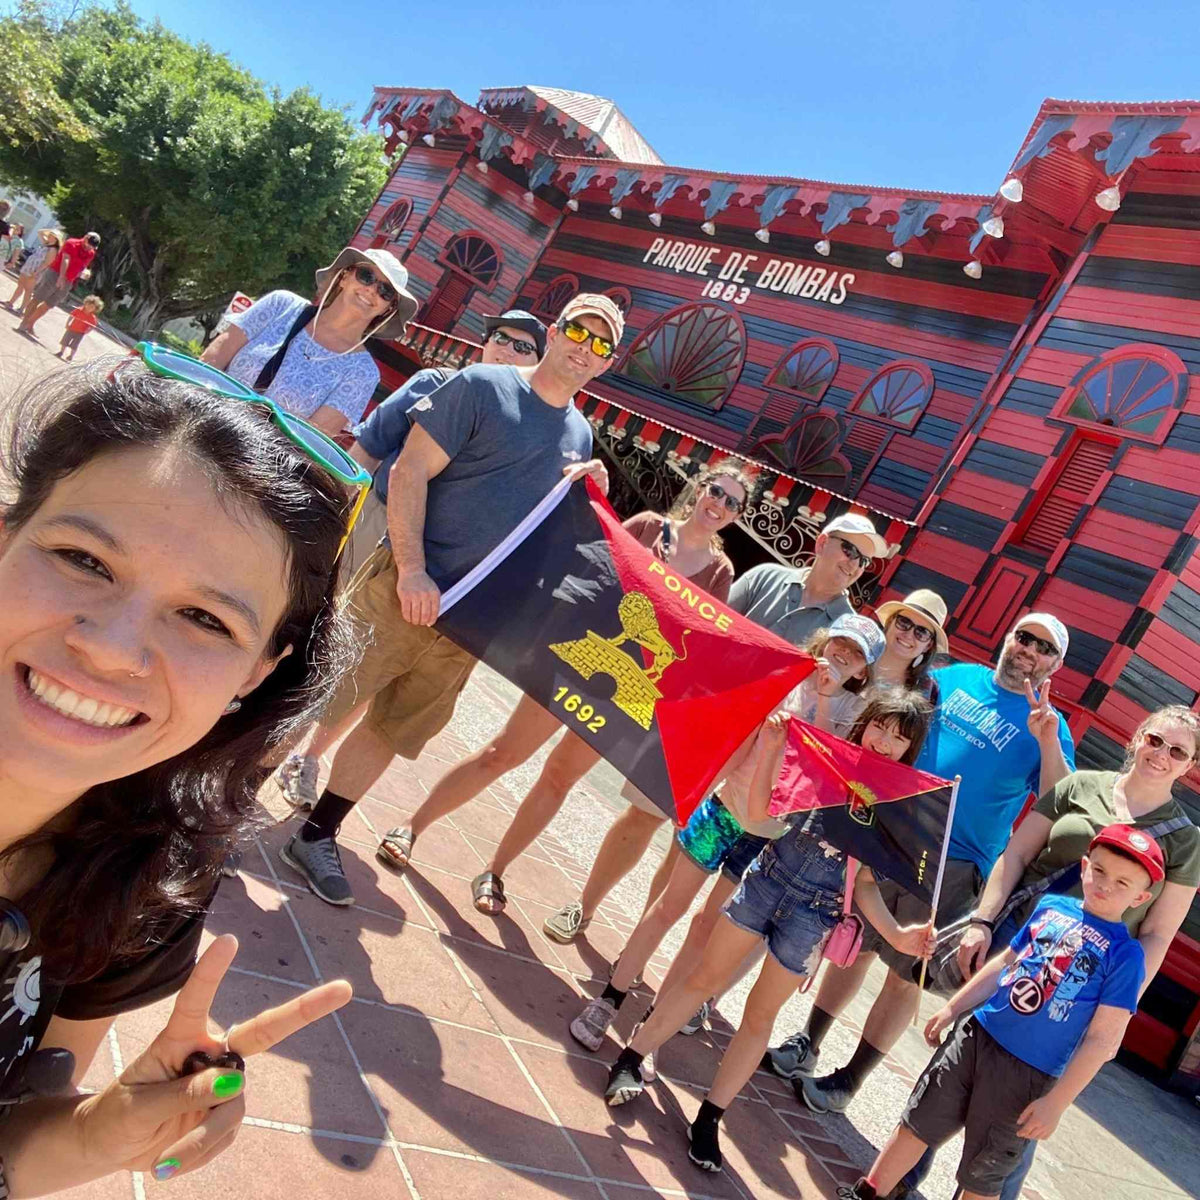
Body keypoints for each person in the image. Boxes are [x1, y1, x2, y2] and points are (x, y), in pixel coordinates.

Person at [0, 356, 363, 1188]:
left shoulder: (148, 883)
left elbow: (11, 1136)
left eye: (202, 618)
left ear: (257, 674)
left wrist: (97, 1139)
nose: (111, 647)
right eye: (84, 559)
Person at [278, 293, 623, 907]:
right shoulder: (483, 385)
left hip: (467, 623)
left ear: (605, 362)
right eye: (578, 331)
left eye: (601, 344)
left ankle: (317, 833)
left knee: (391, 727)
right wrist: (412, 570)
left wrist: (587, 493)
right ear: (555, 330)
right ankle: (225, 804)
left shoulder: (580, 434)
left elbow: (543, 532)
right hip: (405, 585)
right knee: (319, 694)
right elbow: (409, 471)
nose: (584, 348)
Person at [377, 463, 748, 916]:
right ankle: (411, 827)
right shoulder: (649, 526)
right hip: (578, 659)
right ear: (700, 490)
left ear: (735, 515)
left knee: (559, 779)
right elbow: (591, 554)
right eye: (717, 491)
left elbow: (702, 639)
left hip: (626, 691)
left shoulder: (720, 571)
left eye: (733, 502)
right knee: (504, 753)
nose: (720, 504)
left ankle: (495, 871)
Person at [602, 690, 938, 1176]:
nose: (885, 742)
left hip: (815, 914)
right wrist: (776, 749)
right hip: (767, 880)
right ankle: (631, 1058)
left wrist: (898, 934)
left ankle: (709, 1117)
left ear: (912, 748)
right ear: (865, 722)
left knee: (760, 1018)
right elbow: (763, 808)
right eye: (880, 727)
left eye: (900, 738)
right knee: (702, 980)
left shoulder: (896, 801)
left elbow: (863, 884)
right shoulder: (827, 758)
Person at [772, 612, 1077, 1117]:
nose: (1030, 650)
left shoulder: (1048, 724)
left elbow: (1055, 802)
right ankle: (808, 1041)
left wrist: (1046, 739)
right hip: (895, 830)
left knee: (905, 969)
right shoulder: (952, 679)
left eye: (1044, 647)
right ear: (1008, 636)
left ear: (1056, 664)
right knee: (859, 943)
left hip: (957, 862)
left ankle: (849, 1080)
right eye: (1024, 636)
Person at [542, 510, 890, 948]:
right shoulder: (766, 577)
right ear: (822, 542)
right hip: (701, 721)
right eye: (849, 549)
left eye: (863, 561)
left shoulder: (847, 633)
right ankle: (584, 906)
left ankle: (634, 944)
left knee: (685, 851)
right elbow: (708, 627)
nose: (854, 564)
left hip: (753, 758)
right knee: (643, 814)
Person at [568, 613, 886, 1054]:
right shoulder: (788, 675)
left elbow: (823, 768)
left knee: (705, 929)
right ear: (824, 640)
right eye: (840, 643)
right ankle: (609, 999)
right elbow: (742, 736)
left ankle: (651, 1028)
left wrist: (828, 699)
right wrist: (703, 788)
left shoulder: (854, 713)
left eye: (855, 655)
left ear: (862, 670)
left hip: (769, 837)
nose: (842, 656)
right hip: (723, 811)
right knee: (669, 907)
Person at [273, 311, 548, 806]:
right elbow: (369, 449)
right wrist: (334, 515)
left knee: (367, 664)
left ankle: (309, 756)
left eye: (522, 347)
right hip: (376, 516)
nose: (507, 350)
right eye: (500, 339)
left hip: (427, 553)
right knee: (315, 625)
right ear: (483, 344)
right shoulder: (437, 383)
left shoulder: (525, 430)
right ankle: (262, 735)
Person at [941, 704, 1200, 1199]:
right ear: (1136, 736)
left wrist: (1120, 1006)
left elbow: (1157, 935)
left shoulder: (1186, 842)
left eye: (1177, 752)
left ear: (1189, 767)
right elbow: (1017, 854)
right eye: (1155, 740)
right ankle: (903, 1178)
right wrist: (981, 922)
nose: (1161, 755)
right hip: (1018, 944)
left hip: (1082, 981)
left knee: (1027, 1103)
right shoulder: (1078, 786)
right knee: (957, 1061)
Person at [837, 824, 1160, 1200]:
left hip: (1028, 1074)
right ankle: (869, 1192)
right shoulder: (1052, 907)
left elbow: (1104, 1040)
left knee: (984, 1171)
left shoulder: (1126, 956)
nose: (1105, 885)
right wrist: (954, 1007)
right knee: (919, 1120)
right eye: (1100, 870)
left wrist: (1056, 1103)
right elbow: (1006, 962)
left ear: (1140, 898)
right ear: (1085, 865)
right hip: (976, 1035)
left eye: (1123, 883)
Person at [202, 246, 418, 437]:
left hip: (247, 466)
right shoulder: (281, 305)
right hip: (203, 421)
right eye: (366, 275)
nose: (372, 290)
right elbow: (213, 359)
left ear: (388, 308)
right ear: (344, 277)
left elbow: (308, 443)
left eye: (385, 291)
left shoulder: (363, 373)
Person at [17, 230, 100, 338]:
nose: (90, 248)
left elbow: (83, 266)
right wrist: (61, 277)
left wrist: (85, 273)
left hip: (69, 280)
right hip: (55, 274)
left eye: (92, 247)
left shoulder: (91, 253)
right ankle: (23, 323)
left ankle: (30, 323)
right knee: (38, 298)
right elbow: (65, 260)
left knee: (49, 304)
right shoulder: (72, 243)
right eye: (89, 245)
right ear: (85, 238)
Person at [5, 227, 63, 315]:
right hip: (29, 266)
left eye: (52, 236)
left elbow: (47, 262)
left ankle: (21, 309)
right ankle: (11, 302)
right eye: (50, 235)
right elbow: (40, 232)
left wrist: (36, 272)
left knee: (28, 290)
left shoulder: (53, 250)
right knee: (20, 284)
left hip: (36, 270)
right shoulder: (46, 244)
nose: (50, 236)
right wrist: (50, 230)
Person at [55, 294, 103, 360]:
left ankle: (71, 356)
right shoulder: (78, 310)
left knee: (74, 345)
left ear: (95, 309)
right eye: (88, 305)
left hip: (80, 333)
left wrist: (88, 331)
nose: (89, 307)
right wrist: (67, 323)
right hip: (71, 329)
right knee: (65, 341)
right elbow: (71, 316)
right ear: (85, 303)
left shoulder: (92, 317)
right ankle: (61, 352)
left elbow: (92, 326)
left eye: (92, 307)